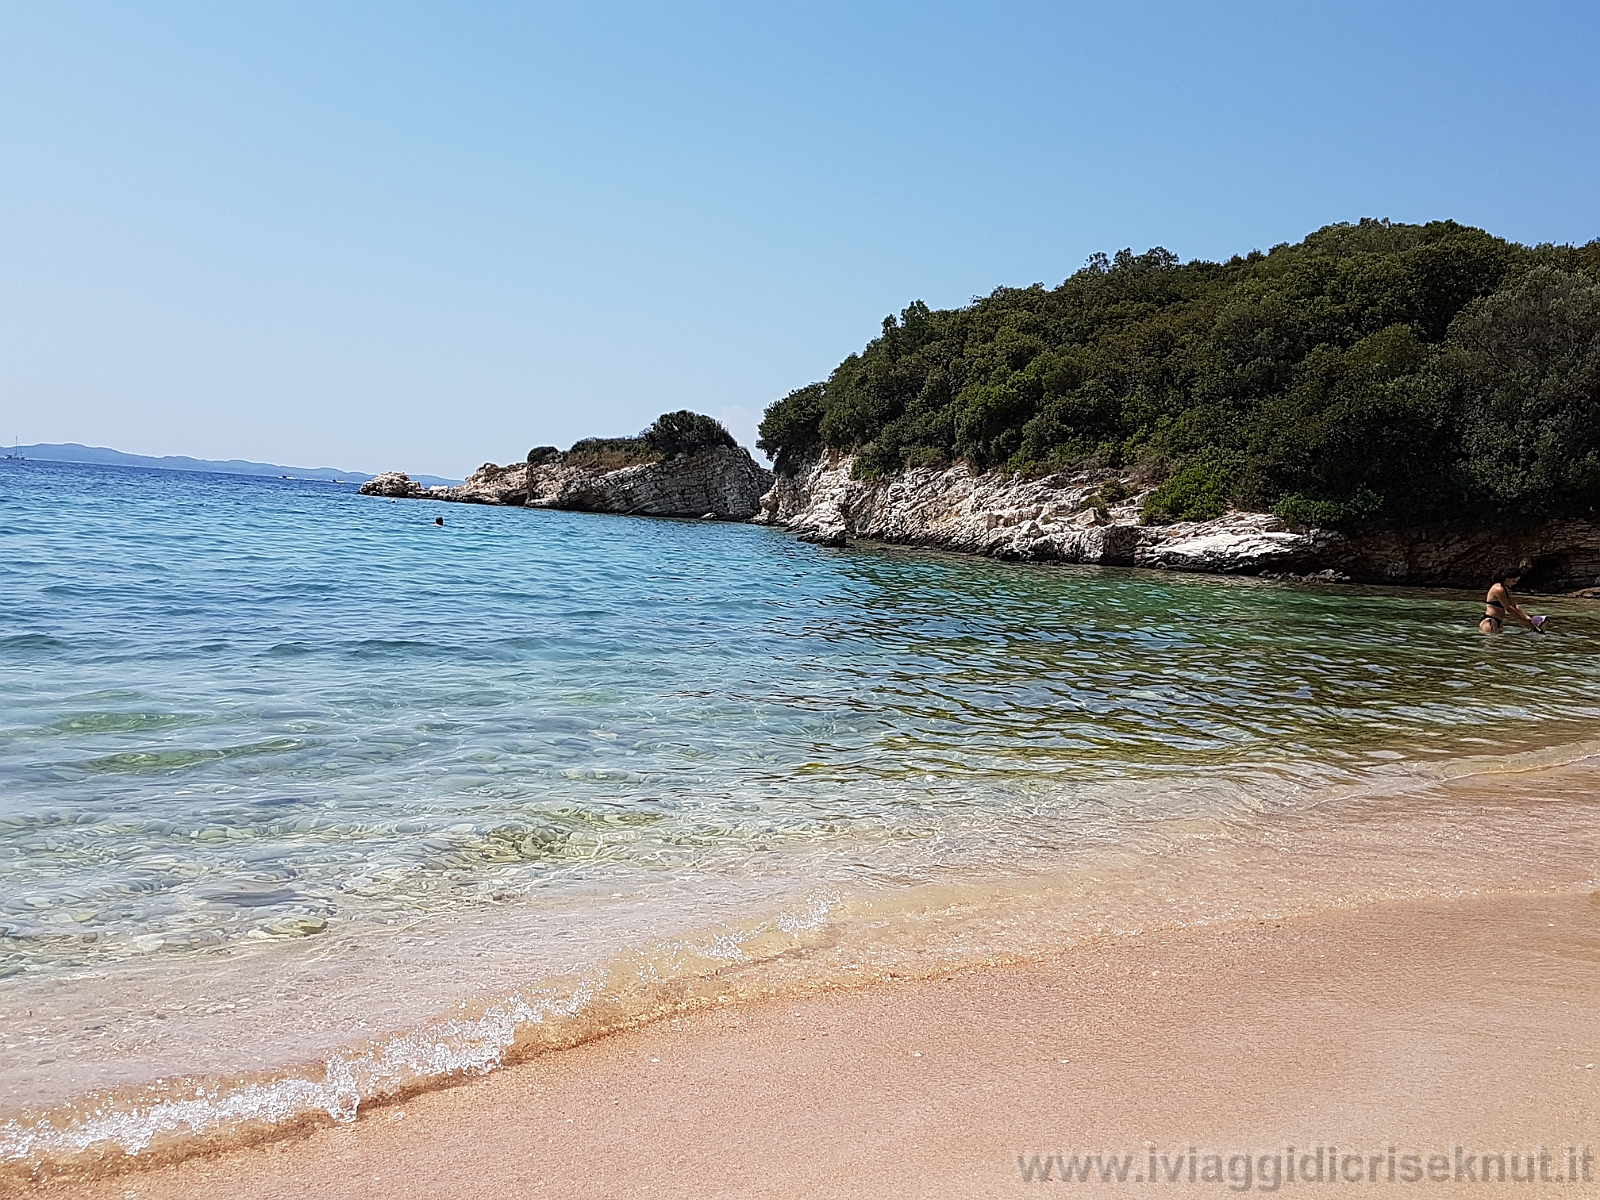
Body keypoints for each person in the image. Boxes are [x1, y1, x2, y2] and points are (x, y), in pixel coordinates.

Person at [1479, 569, 1543, 634]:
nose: (1515, 584)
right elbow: (1508, 608)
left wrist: (1527, 618)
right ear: (1506, 578)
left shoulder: (1505, 589)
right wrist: (1523, 621)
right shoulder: (1498, 589)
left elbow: (1514, 605)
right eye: (1513, 581)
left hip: (1498, 621)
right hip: (1490, 621)